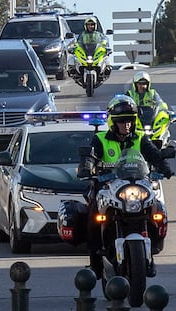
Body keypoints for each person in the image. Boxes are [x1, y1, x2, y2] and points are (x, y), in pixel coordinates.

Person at [77, 94, 173, 279]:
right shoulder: (100, 138)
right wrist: (87, 166)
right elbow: (91, 155)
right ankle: (95, 263)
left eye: (129, 121)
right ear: (113, 122)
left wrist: (164, 165)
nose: (126, 125)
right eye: (122, 121)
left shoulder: (140, 138)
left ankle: (152, 248)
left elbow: (153, 154)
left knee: (157, 211)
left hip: (136, 186)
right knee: (93, 219)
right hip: (107, 186)